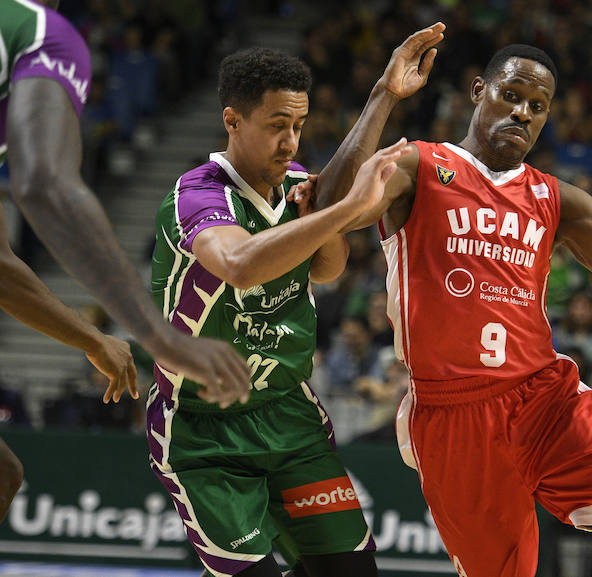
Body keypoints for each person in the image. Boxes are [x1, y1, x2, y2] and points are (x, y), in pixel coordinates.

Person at [295, 43, 592, 577]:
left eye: (538, 106)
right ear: (478, 92)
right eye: (511, 96)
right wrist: (383, 95)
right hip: (453, 413)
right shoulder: (418, 166)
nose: (523, 112)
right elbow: (327, 211)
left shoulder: (560, 201)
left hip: (543, 396)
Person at [147, 24, 443, 577]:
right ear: (232, 121)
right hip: (204, 431)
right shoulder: (198, 195)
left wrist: (384, 94)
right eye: (277, 126)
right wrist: (342, 209)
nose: (291, 142)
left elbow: (329, 267)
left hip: (289, 417)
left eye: (300, 126)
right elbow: (239, 265)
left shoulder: (298, 185)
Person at [1, 0, 251, 409]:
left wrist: (92, 338)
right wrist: (163, 339)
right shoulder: (40, 31)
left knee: (7, 475)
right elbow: (44, 185)